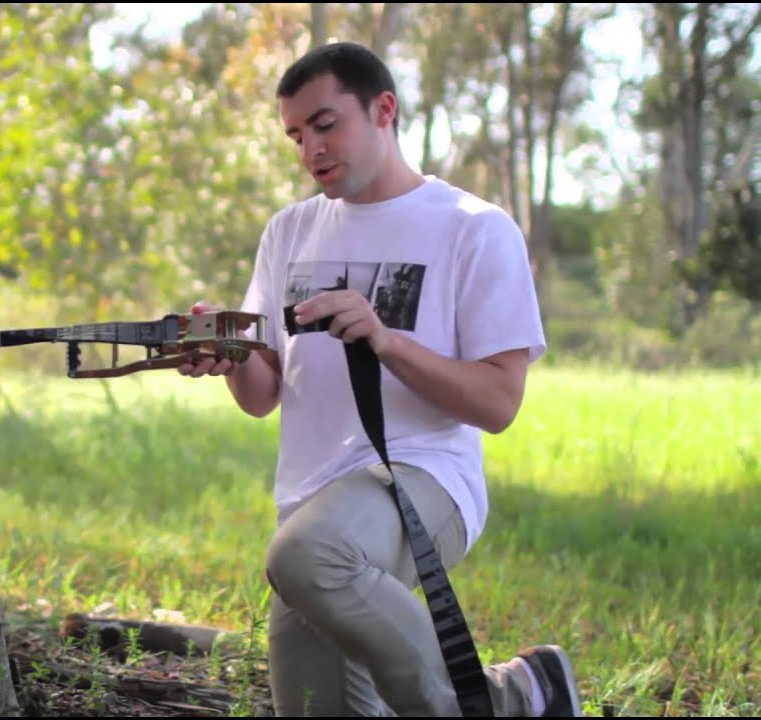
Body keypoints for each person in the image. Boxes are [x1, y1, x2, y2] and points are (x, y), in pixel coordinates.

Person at [178, 41, 582, 717]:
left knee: (309, 556)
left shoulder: (473, 229)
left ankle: (495, 701)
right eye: (296, 135)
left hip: (423, 477)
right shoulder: (289, 232)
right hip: (308, 512)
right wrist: (231, 352)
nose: (311, 149)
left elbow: (498, 402)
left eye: (326, 124)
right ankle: (512, 696)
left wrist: (387, 342)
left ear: (384, 110)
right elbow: (262, 396)